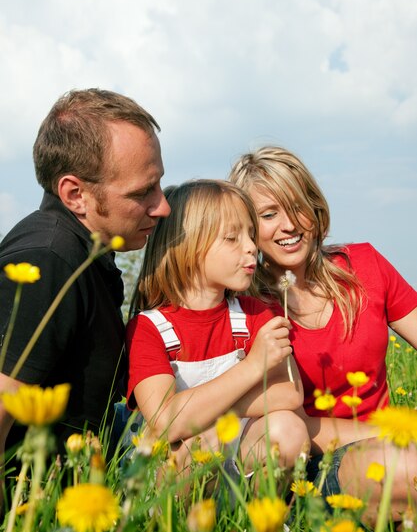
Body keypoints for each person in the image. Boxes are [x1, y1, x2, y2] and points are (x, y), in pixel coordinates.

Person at [228, 145, 417, 523]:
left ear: (315, 208)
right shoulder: (248, 306)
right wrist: (391, 433)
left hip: (391, 445)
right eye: (269, 214)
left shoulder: (365, 264)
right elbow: (292, 423)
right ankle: (295, 526)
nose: (289, 224)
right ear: (248, 229)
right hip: (311, 465)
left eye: (297, 206)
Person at [0, 88, 171, 472]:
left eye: (158, 184)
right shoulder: (49, 259)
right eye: (143, 192)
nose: (163, 206)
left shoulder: (87, 247)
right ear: (75, 194)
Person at [126, 179, 309, 483]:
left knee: (288, 430)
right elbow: (166, 421)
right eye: (232, 238)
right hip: (171, 468)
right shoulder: (149, 328)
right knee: (201, 445)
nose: (252, 247)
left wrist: (208, 416)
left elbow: (290, 391)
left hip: (232, 452)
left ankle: (259, 521)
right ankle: (177, 529)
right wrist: (253, 366)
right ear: (189, 247)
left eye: (250, 235)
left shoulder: (255, 313)